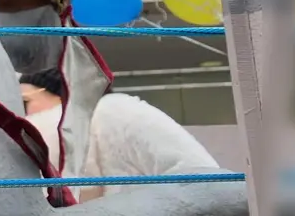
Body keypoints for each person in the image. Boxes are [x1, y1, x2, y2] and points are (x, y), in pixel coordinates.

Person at [20, 67, 221, 201]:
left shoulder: (117, 112)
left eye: (24, 102)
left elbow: (206, 184)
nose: (21, 114)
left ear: (63, 94)